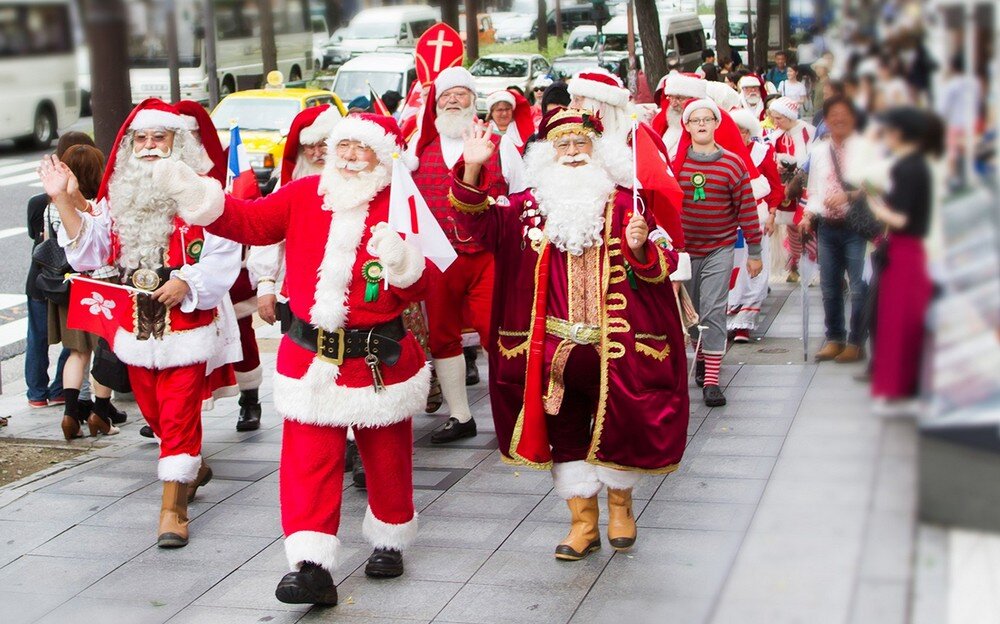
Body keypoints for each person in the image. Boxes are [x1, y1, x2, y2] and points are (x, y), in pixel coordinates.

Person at [165, 113, 432, 605]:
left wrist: (399, 262)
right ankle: (310, 566)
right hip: (310, 355)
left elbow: (423, 285)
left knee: (387, 456)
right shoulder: (305, 194)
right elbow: (251, 221)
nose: (350, 157)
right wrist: (195, 194)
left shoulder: (402, 204)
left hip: (377, 357)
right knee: (307, 461)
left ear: (382, 156)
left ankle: (390, 538)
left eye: (362, 149)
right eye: (343, 147)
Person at [450, 108, 688, 560]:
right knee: (565, 432)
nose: (574, 153)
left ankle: (621, 510)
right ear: (547, 154)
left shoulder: (627, 205)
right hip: (551, 350)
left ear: (598, 152)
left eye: (582, 144)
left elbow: (666, 265)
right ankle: (583, 523)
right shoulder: (526, 209)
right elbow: (474, 224)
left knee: (623, 428)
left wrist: (640, 248)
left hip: (620, 351)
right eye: (564, 145)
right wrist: (475, 166)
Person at [39, 99, 242, 548]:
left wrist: (188, 283)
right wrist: (62, 198)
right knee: (154, 412)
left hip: (187, 324)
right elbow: (92, 249)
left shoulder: (203, 192)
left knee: (179, 409)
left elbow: (226, 251)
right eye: (142, 139)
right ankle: (191, 466)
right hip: (136, 327)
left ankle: (173, 511)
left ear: (177, 143)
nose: (150, 147)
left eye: (160, 138)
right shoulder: (121, 195)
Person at [406, 66, 525, 444]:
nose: (453, 100)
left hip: (485, 255)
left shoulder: (498, 141)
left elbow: (522, 192)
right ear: (436, 102)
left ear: (473, 100)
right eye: (446, 95)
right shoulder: (417, 148)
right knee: (442, 335)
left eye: (461, 93)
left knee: (498, 332)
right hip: (437, 258)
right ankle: (460, 415)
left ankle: (517, 412)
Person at [673, 99, 762, 406]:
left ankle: (712, 379)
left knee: (713, 309)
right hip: (684, 251)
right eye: (694, 120)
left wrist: (755, 251)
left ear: (716, 124)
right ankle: (700, 358)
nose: (700, 124)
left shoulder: (733, 163)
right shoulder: (676, 164)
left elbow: (747, 210)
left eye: (706, 119)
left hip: (719, 248)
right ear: (686, 126)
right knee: (692, 312)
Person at [45, 145, 128, 441]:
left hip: (75, 285)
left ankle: (70, 414)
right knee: (106, 350)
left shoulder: (53, 205)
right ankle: (100, 412)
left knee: (77, 352)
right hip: (106, 285)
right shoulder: (107, 204)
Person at [867, 108, 942, 413]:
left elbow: (900, 218)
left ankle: (898, 392)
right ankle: (911, 391)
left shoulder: (907, 168)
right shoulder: (921, 166)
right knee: (909, 322)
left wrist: (875, 205)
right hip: (914, 250)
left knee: (898, 322)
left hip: (905, 250)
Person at [25, 132, 93, 408]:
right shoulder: (88, 200)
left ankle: (36, 393)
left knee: (37, 336)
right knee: (73, 339)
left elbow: (36, 235)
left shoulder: (39, 202)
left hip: (41, 278)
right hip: (73, 281)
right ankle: (59, 389)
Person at [799, 96, 870, 363]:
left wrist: (848, 197)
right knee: (829, 286)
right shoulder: (818, 151)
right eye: (833, 115)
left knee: (858, 287)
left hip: (857, 227)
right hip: (827, 227)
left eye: (845, 114)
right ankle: (835, 338)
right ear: (826, 120)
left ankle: (856, 341)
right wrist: (808, 215)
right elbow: (814, 189)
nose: (839, 119)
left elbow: (877, 186)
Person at [728, 109, 785, 342]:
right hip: (730, 221)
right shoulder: (724, 154)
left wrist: (772, 214)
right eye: (735, 131)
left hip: (756, 217)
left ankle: (745, 321)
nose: (739, 135)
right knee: (732, 269)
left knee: (753, 267)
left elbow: (775, 187)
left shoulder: (763, 152)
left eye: (743, 131)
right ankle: (728, 318)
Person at [766, 96, 816, 282]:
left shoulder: (807, 132)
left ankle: (809, 265)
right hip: (785, 187)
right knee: (791, 226)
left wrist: (795, 165)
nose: (775, 122)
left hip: (804, 186)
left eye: (779, 118)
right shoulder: (776, 135)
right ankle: (794, 263)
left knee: (806, 227)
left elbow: (812, 160)